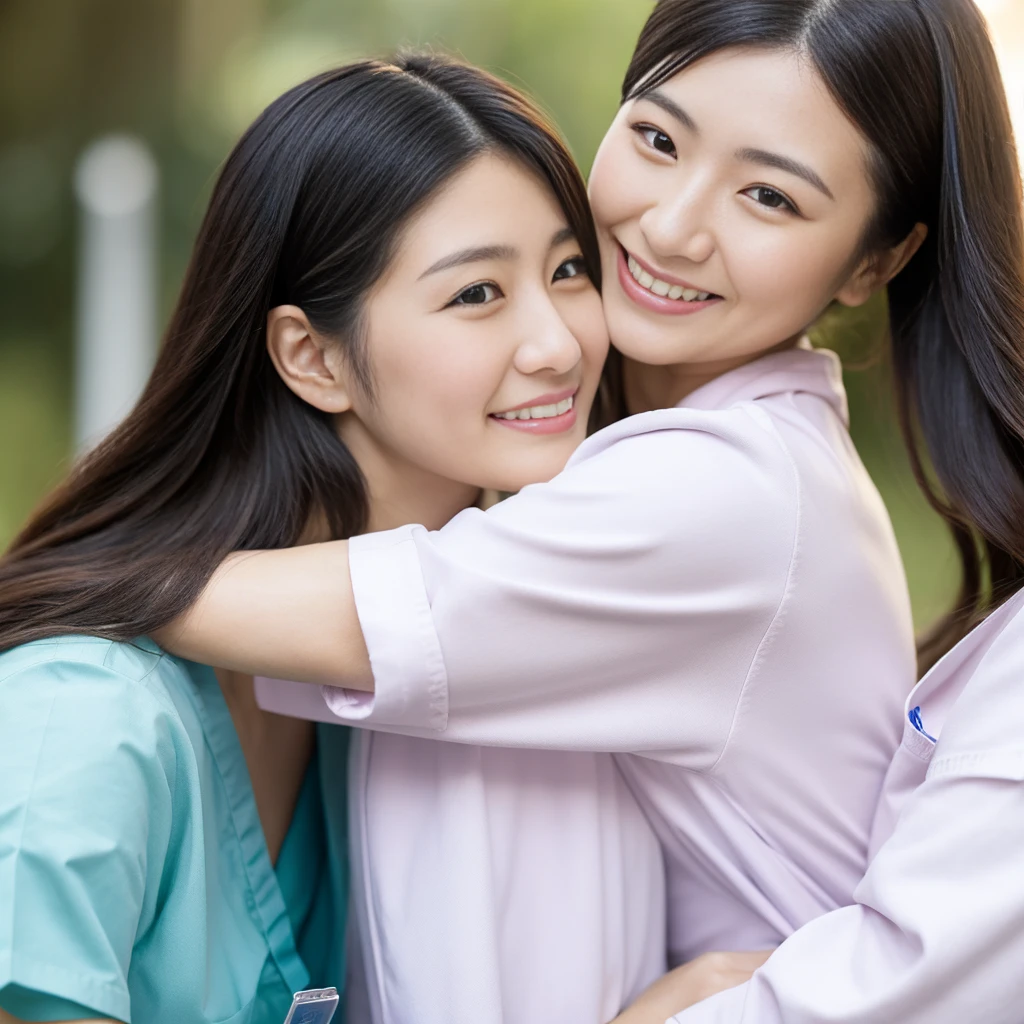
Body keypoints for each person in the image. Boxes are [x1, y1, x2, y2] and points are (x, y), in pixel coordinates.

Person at [162, 0, 944, 999]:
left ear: (874, 262)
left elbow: (372, 613)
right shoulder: (703, 458)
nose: (671, 226)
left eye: (769, 199)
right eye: (658, 139)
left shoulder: (723, 493)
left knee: (460, 727)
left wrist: (93, 573)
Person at [0, 55, 666, 1024]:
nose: (559, 342)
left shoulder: (394, 684)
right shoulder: (91, 720)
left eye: (568, 271)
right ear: (312, 357)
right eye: (476, 293)